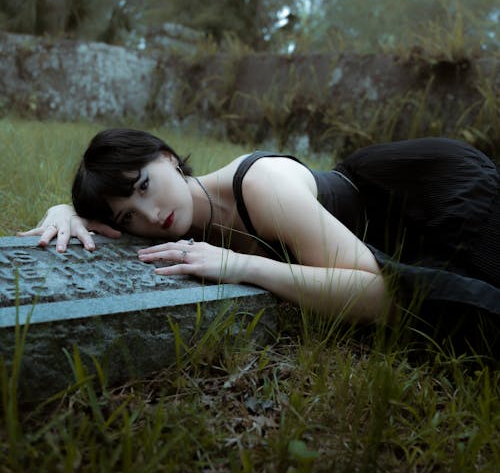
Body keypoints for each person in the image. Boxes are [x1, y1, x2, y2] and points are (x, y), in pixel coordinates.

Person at [19, 129, 500, 336]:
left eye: (145, 185)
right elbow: (111, 224)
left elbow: (378, 294)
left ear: (167, 156)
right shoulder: (183, 220)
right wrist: (64, 209)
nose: (149, 215)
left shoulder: (263, 186)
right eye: (128, 218)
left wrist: (246, 266)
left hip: (432, 199)